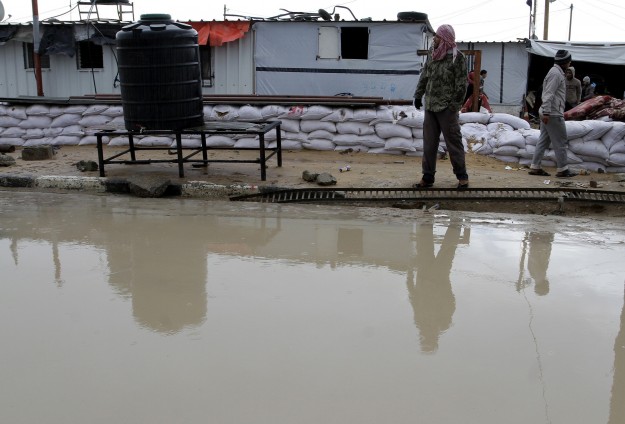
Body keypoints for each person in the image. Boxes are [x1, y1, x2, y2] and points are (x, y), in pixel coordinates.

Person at [413, 24, 469, 189]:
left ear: (444, 38)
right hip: (430, 106)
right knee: (429, 144)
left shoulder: (458, 58)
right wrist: (418, 94)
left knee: (453, 143)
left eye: (437, 36)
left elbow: (461, 84)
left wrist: (454, 106)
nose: (434, 39)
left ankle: (462, 176)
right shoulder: (433, 56)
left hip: (446, 108)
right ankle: (427, 177)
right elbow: (425, 76)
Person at [528, 49, 578, 178]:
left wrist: (545, 112)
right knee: (561, 141)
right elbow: (548, 94)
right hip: (553, 114)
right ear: (565, 62)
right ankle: (563, 169)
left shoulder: (555, 72)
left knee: (543, 140)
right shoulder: (556, 74)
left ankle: (535, 166)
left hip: (549, 112)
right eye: (569, 61)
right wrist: (546, 112)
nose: (570, 63)